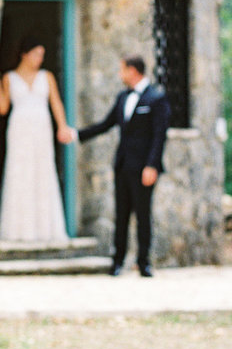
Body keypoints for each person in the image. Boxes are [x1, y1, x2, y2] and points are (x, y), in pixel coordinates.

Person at [73, 55, 170, 277]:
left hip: (143, 167)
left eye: (122, 70)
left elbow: (159, 135)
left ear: (133, 71)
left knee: (143, 215)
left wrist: (152, 165)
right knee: (121, 214)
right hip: (123, 165)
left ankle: (143, 262)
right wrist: (77, 134)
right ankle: (118, 261)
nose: (120, 74)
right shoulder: (123, 97)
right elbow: (106, 125)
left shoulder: (156, 98)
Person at [0, 36, 74, 243]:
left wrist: (62, 126)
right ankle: (19, 230)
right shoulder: (10, 77)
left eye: (42, 55)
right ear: (25, 54)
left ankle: (46, 230)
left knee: (42, 172)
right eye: (36, 54)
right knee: (20, 173)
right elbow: (2, 108)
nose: (39, 59)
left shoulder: (46, 77)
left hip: (41, 128)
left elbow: (56, 103)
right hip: (19, 129)